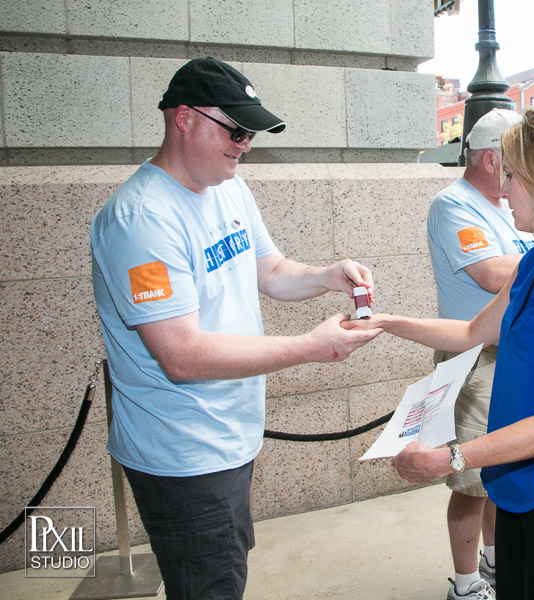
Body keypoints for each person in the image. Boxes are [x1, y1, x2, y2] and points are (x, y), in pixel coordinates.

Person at [90, 57, 382, 600]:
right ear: (184, 118)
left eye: (251, 133)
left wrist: (326, 275)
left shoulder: (229, 188)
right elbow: (181, 354)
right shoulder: (142, 219)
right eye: (236, 130)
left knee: (223, 571)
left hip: (229, 436)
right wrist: (310, 347)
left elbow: (271, 271)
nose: (245, 145)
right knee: (211, 585)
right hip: (184, 451)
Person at [345, 103, 534, 599]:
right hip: (522, 491)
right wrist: (387, 323)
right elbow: (470, 333)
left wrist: (450, 458)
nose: (503, 189)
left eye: (513, 176)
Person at [426, 108, 534, 600]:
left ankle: (492, 560)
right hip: (474, 359)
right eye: (516, 162)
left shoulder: (504, 204)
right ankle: (466, 582)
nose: (522, 174)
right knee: (471, 479)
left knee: (500, 466)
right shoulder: (454, 204)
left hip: (509, 355)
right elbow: (492, 274)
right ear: (492, 160)